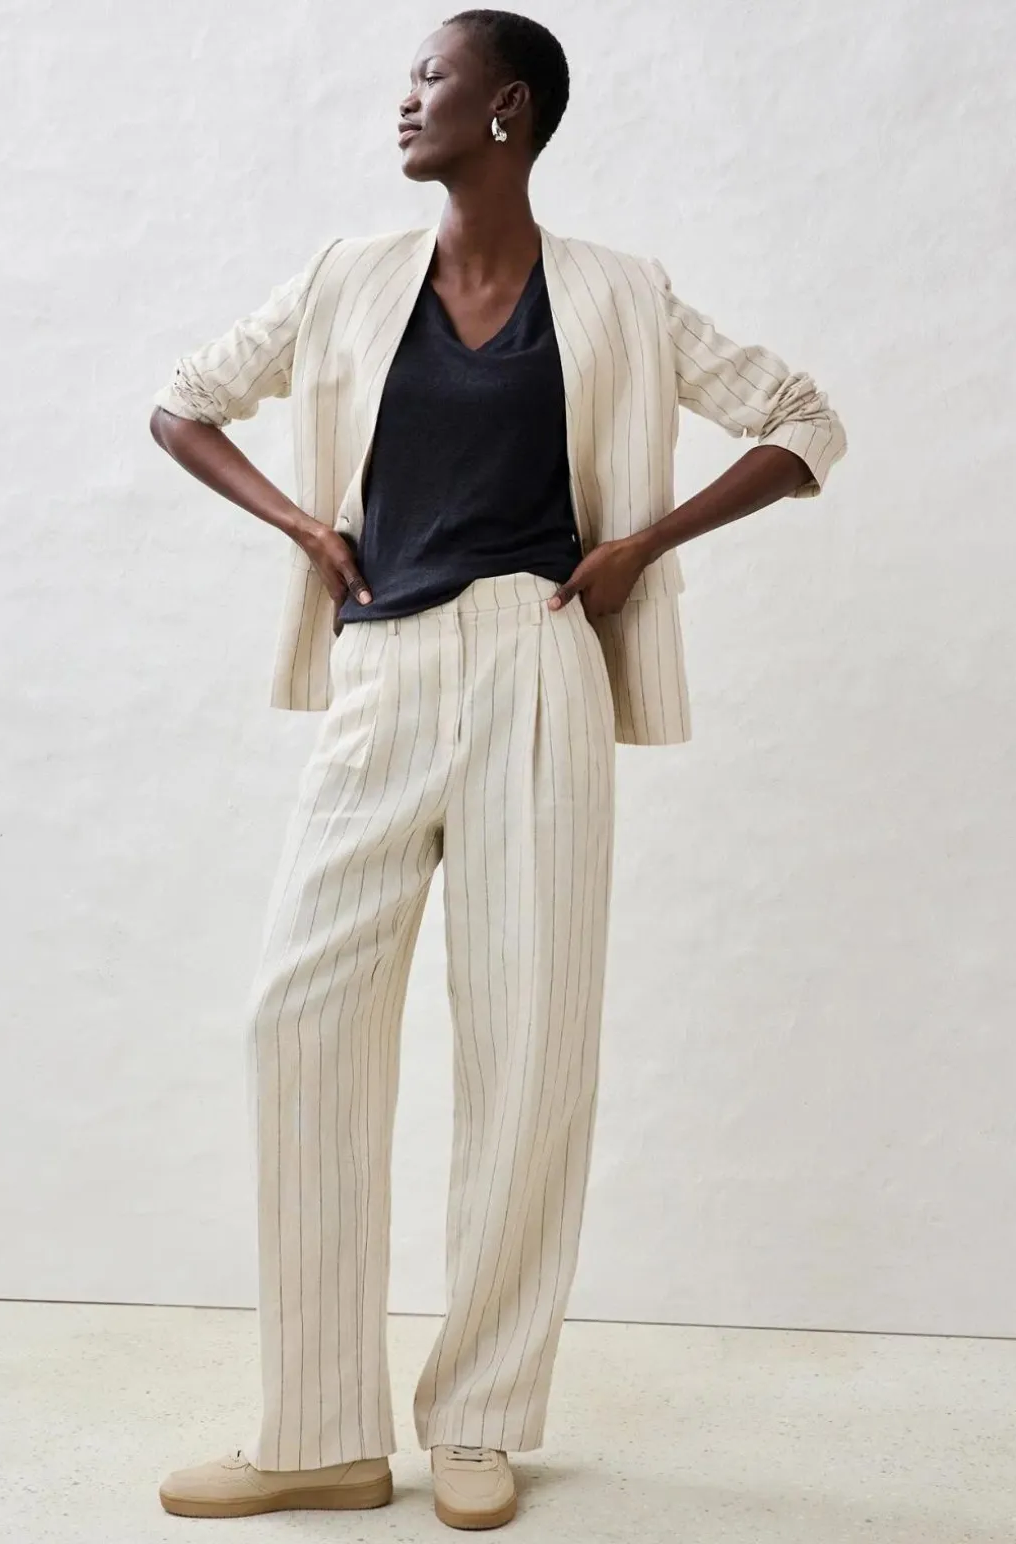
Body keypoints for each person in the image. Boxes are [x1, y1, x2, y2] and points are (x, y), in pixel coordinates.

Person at [148, 9, 847, 1530]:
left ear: (507, 107)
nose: (404, 99)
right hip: (382, 670)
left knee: (526, 1048)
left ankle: (478, 1419)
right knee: (298, 1020)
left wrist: (640, 546)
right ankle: (318, 1430)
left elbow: (806, 425)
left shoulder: (619, 293)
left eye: (432, 77)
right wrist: (304, 526)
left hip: (539, 659)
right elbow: (182, 403)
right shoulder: (346, 277)